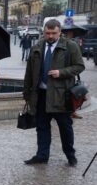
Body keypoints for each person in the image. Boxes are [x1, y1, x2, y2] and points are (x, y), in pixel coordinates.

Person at [23, 19, 85, 166]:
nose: (50, 36)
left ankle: (70, 155)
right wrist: (27, 93)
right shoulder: (37, 46)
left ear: (60, 32)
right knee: (42, 127)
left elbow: (79, 66)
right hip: (41, 94)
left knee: (65, 127)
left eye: (53, 33)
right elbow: (29, 72)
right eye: (47, 33)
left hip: (61, 95)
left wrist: (61, 72)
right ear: (43, 32)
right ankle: (42, 155)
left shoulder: (70, 46)